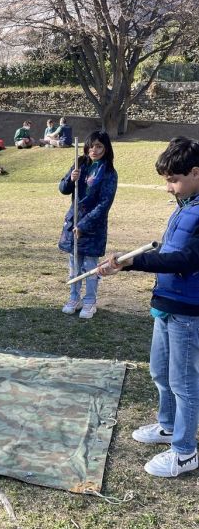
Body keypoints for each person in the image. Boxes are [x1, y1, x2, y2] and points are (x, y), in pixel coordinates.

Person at [98, 136, 199, 478]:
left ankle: (185, 452)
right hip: (166, 304)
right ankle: (168, 426)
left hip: (188, 312)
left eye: (174, 180)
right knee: (160, 372)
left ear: (196, 173)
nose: (169, 188)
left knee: (184, 384)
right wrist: (127, 260)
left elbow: (186, 259)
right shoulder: (186, 205)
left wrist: (133, 263)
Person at [59, 130, 118, 319]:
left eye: (99, 146)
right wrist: (71, 179)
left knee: (91, 267)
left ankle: (90, 301)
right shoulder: (80, 164)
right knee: (74, 264)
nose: (94, 150)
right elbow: (63, 188)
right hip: (73, 220)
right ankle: (73, 298)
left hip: (93, 226)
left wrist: (84, 225)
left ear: (106, 148)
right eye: (91, 146)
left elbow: (104, 203)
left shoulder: (109, 172)